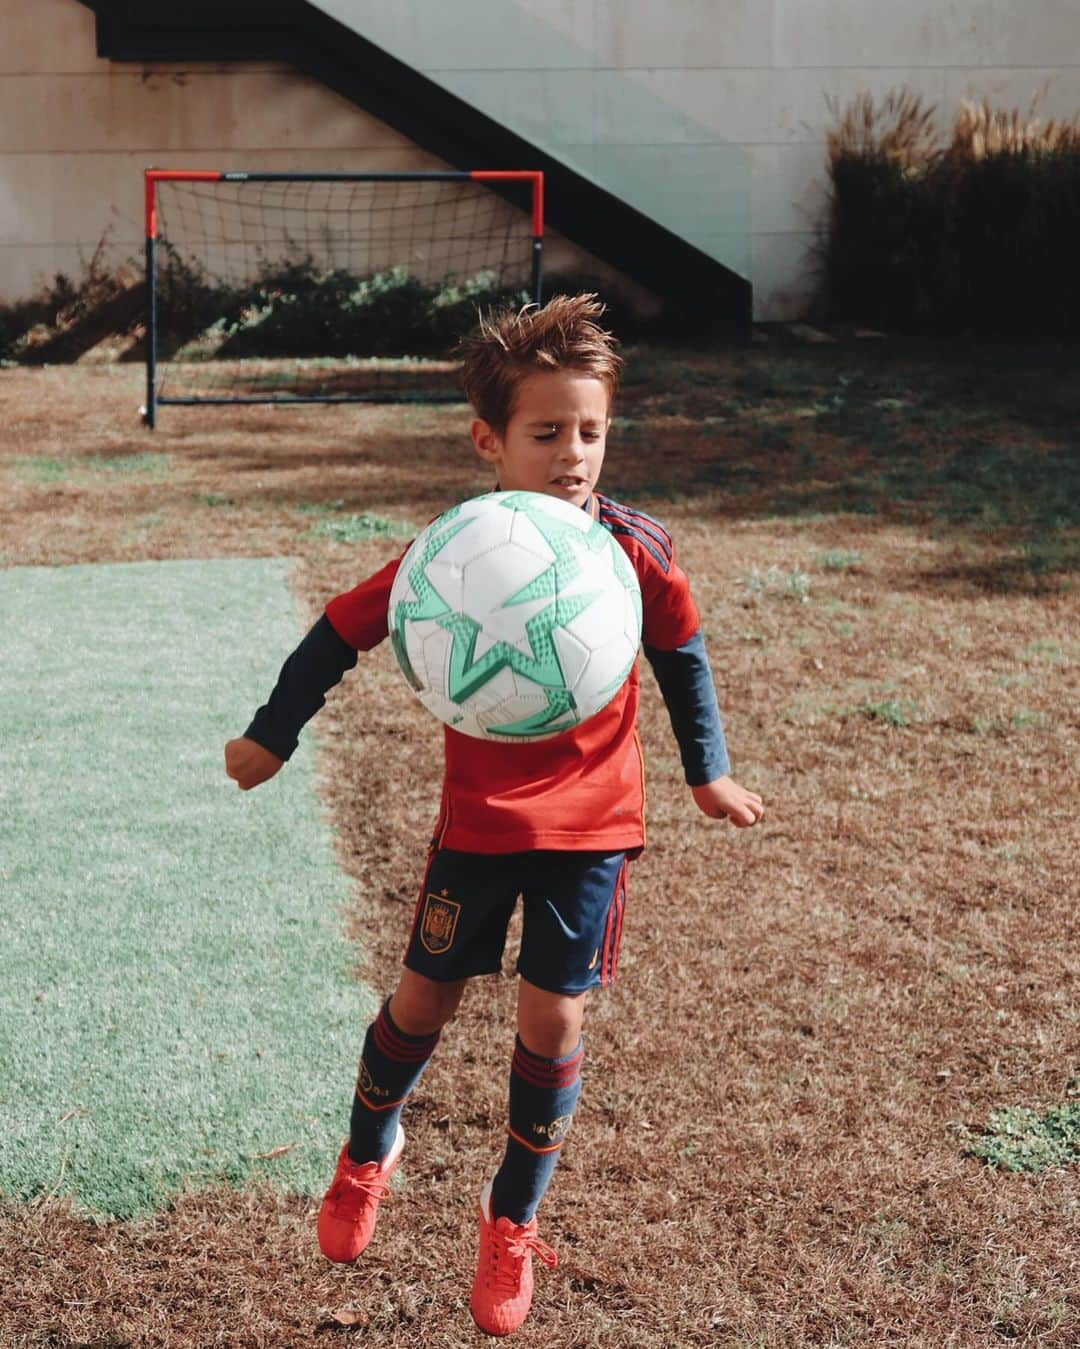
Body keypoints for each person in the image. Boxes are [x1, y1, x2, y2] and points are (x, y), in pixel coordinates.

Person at [224, 294, 764, 1337]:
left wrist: (709, 771)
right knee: (421, 1001)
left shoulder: (634, 549)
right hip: (476, 826)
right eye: (547, 431)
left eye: (592, 431)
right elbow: (339, 628)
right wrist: (272, 733)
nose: (574, 454)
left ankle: (509, 1219)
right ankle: (364, 1150)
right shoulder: (452, 552)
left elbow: (681, 653)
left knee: (552, 1019)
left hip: (592, 829)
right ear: (491, 440)